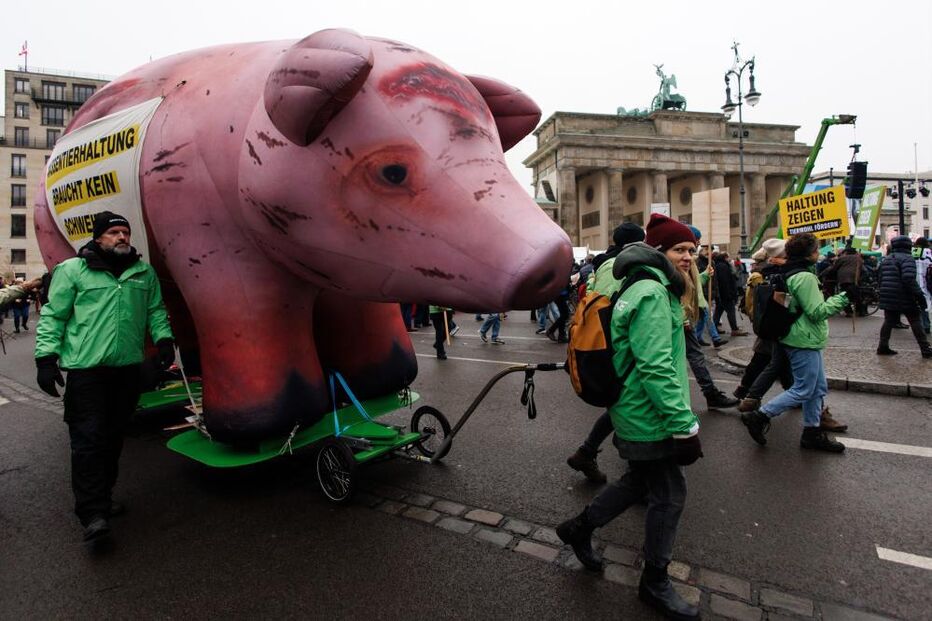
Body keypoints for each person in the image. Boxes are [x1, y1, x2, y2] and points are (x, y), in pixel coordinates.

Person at [557, 216, 702, 621]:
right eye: (679, 250)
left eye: (691, 250)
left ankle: (578, 528)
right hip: (648, 414)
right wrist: (683, 425)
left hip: (634, 409)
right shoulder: (652, 294)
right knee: (670, 495)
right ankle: (654, 582)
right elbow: (657, 368)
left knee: (639, 481)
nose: (688, 257)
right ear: (659, 252)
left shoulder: (638, 285)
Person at [35, 211, 175, 543]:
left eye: (125, 232)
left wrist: (164, 340)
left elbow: (155, 311)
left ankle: (104, 499)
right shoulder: (72, 271)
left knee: (113, 438)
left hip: (126, 371)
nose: (122, 237)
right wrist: (45, 358)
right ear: (98, 238)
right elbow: (54, 316)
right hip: (87, 373)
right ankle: (92, 514)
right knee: (87, 440)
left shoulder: (143, 273)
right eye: (113, 232)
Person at [740, 233, 849, 453]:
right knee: (804, 388)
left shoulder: (791, 271)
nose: (819, 254)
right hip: (803, 338)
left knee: (817, 388)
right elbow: (817, 312)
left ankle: (812, 432)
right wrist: (844, 298)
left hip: (800, 336)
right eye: (817, 250)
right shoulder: (805, 277)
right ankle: (759, 416)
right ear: (809, 254)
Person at [566, 223, 645, 483]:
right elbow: (621, 305)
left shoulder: (604, 264)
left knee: (620, 402)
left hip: (604, 342)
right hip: (619, 343)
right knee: (629, 402)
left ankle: (587, 452)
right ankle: (638, 470)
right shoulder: (622, 266)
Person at [876, 235, 932, 358]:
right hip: (904, 295)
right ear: (907, 246)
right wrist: (919, 296)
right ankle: (925, 348)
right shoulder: (907, 258)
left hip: (888, 294)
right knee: (915, 320)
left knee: (888, 321)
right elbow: (909, 279)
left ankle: (882, 346)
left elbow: (880, 278)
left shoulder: (887, 259)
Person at [821, 246, 865, 316]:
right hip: (855, 278)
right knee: (856, 295)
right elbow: (862, 269)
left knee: (845, 295)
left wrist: (826, 274)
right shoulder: (859, 258)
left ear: (846, 252)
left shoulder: (842, 258)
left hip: (844, 279)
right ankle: (861, 311)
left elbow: (834, 268)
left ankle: (849, 312)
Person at [712, 252, 747, 336]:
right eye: (728, 257)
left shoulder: (720, 265)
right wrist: (729, 294)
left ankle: (713, 328)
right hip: (725, 294)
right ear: (725, 257)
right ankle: (734, 329)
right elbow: (724, 282)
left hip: (721, 294)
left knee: (718, 311)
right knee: (730, 311)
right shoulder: (723, 266)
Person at [913, 237, 931, 334]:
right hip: (928, 282)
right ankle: (927, 325)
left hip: (917, 283)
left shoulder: (914, 252)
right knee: (926, 305)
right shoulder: (930, 253)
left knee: (919, 305)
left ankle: (922, 326)